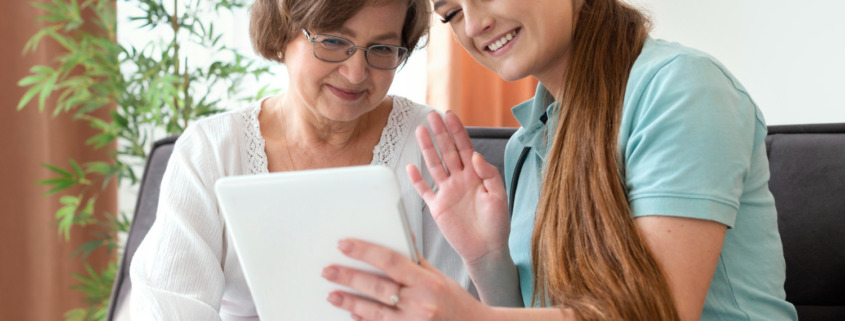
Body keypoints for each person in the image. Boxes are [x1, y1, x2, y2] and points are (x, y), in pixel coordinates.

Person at [321, 0, 799, 320]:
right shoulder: (527, 144)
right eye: (451, 13)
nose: (475, 23)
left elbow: (660, 313)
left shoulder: (680, 87)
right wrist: (487, 256)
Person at [128, 0, 478, 319]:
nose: (356, 73)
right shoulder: (211, 149)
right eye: (333, 41)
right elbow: (168, 306)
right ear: (282, 35)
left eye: (382, 48)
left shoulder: (430, 142)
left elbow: (457, 305)